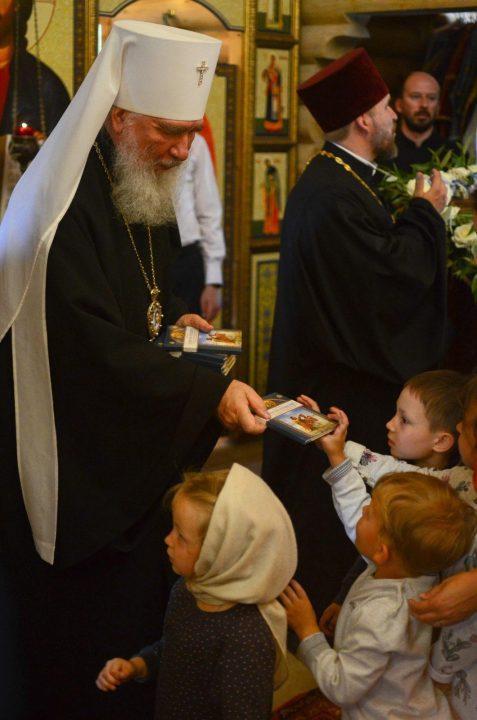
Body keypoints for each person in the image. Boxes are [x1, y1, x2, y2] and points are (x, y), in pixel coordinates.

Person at [0, 21, 269, 720]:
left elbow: (139, 300)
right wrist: (206, 392)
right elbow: (88, 353)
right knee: (84, 662)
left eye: (192, 132)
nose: (183, 150)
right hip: (80, 480)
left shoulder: (134, 178)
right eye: (168, 132)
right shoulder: (58, 212)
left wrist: (173, 327)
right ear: (119, 117)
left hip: (129, 470)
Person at [262, 47, 449, 614]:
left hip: (335, 377)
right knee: (325, 518)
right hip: (337, 388)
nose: (396, 115)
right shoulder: (332, 192)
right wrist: (427, 214)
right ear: (365, 119)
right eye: (388, 106)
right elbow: (386, 281)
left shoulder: (343, 179)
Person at [280, 410, 477, 719]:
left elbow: (342, 687)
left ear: (383, 551)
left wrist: (308, 633)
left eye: (370, 512)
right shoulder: (408, 567)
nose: (363, 509)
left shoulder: (382, 614)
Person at [96, 464, 297, 719]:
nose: (168, 539)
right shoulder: (186, 590)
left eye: (181, 536)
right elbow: (178, 650)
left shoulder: (246, 637)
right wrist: (136, 665)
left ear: (220, 554)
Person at [301, 370, 471, 637]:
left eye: (404, 420)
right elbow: (382, 467)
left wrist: (336, 453)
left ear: (440, 440)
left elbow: (366, 533)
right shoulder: (443, 480)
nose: (390, 424)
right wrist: (344, 597)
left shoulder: (434, 503)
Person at [172, 132, 225, 320]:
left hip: (187, 260)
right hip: (148, 256)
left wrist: (213, 282)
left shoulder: (197, 144)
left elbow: (209, 212)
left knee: (191, 333)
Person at [390, 71, 459, 174]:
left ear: (438, 107)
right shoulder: (384, 151)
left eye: (431, 98)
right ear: (399, 105)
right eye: (415, 96)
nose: (424, 104)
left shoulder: (454, 153)